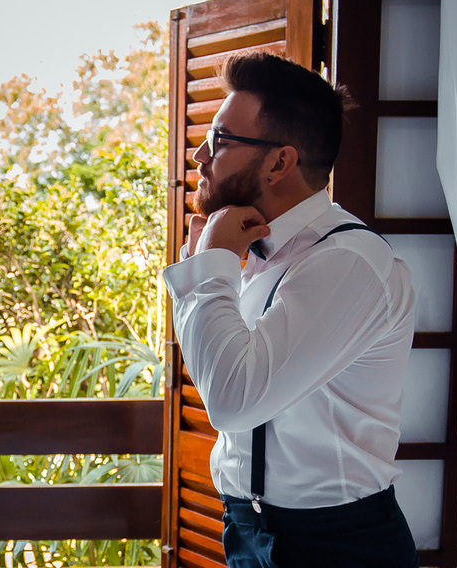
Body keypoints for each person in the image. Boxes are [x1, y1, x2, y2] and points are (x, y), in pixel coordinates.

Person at [162, 52, 418, 567]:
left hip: (337, 545)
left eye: (220, 140)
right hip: (246, 529)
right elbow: (217, 372)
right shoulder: (248, 252)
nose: (199, 156)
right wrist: (210, 263)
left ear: (279, 162)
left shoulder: (348, 262)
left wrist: (210, 264)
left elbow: (232, 400)